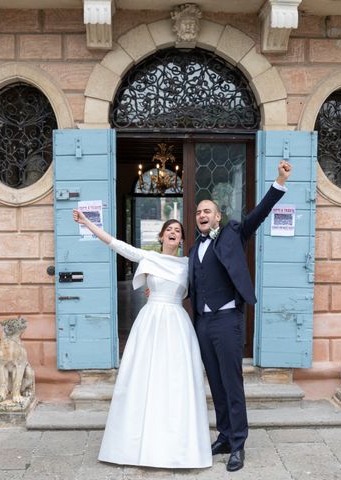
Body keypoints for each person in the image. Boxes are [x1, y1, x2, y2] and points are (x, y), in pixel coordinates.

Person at [72, 210, 212, 469]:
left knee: (175, 381)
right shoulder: (149, 257)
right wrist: (88, 223)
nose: (173, 233)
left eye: (178, 231)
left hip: (177, 325)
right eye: (169, 229)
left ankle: (177, 446)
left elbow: (201, 286)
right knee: (143, 378)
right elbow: (116, 244)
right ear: (161, 236)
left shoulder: (188, 263)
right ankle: (134, 445)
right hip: (150, 323)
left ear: (182, 239)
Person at [189, 160, 292, 472]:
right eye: (198, 213)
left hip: (227, 320)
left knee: (232, 383)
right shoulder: (195, 248)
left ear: (218, 216)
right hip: (203, 324)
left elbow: (258, 215)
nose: (202, 215)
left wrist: (279, 181)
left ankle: (238, 444)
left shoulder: (234, 233)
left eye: (207, 211)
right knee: (216, 384)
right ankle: (223, 434)